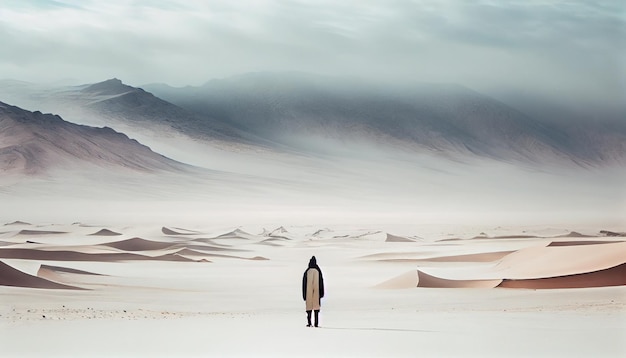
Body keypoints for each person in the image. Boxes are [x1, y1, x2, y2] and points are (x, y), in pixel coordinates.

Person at [302, 256, 325, 327]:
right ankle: (316, 323)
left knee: (309, 307)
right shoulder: (318, 271)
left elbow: (304, 284)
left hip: (308, 292)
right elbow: (321, 283)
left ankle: (309, 322)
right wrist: (321, 293)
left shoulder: (307, 271)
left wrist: (304, 295)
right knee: (316, 308)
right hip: (317, 292)